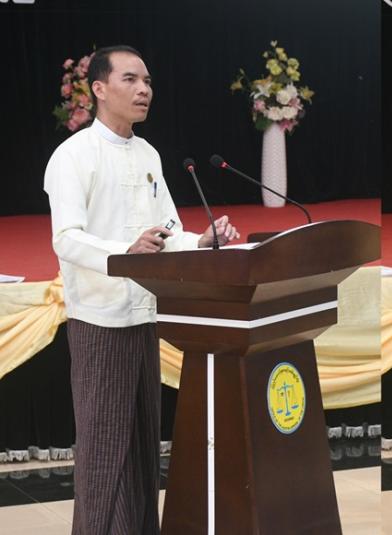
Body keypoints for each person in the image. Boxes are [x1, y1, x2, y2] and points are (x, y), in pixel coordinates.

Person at [43, 45, 238, 534]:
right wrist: (125, 253)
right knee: (104, 451)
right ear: (99, 88)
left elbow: (167, 228)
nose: (143, 89)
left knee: (143, 448)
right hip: (100, 319)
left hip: (145, 313)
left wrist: (200, 240)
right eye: (129, 79)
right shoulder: (72, 156)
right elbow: (66, 238)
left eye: (147, 81)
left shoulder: (148, 154)